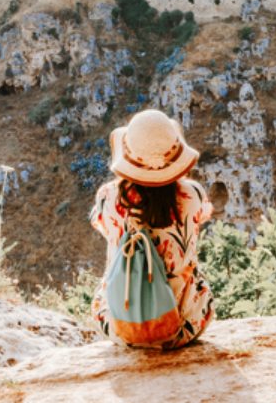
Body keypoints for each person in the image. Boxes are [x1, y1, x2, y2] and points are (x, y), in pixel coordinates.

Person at [89, 109, 214, 349]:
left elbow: (102, 226)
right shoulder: (193, 194)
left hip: (122, 325)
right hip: (182, 327)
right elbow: (202, 217)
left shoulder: (108, 196)